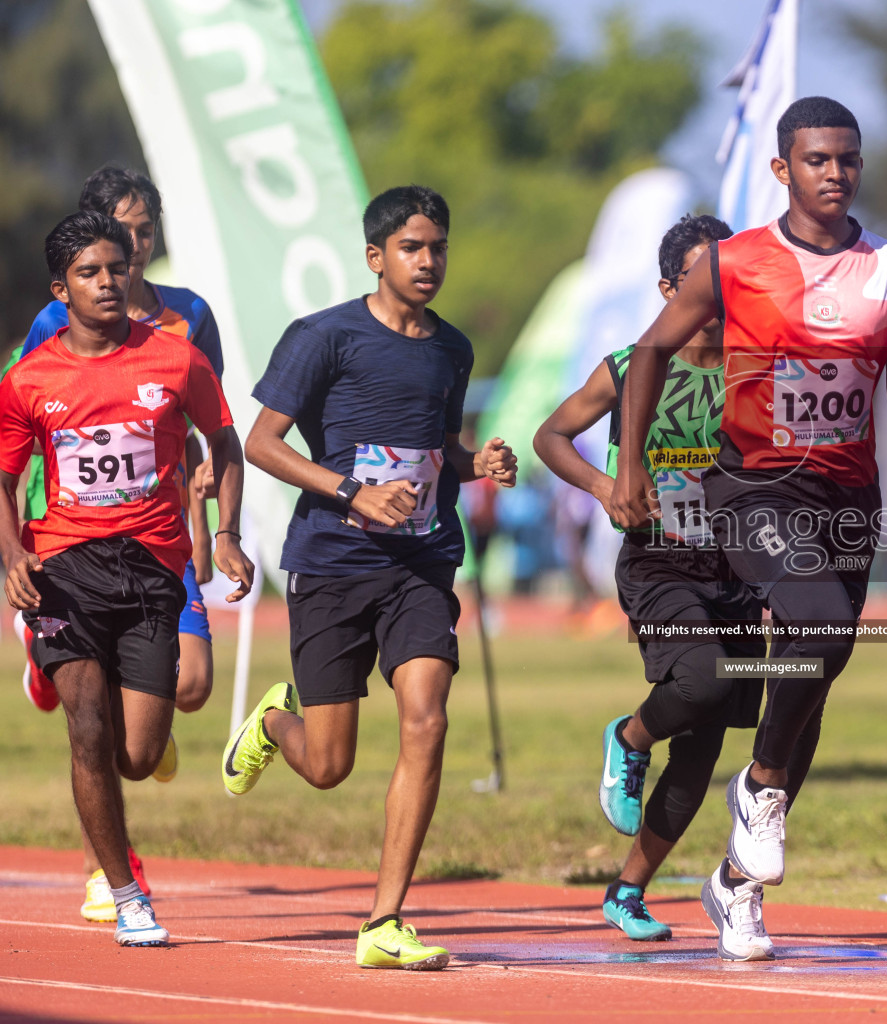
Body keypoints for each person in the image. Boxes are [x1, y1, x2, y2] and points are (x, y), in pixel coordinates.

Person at [610, 97, 887, 959]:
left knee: (812, 672)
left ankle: (737, 883)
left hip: (851, 500)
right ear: (783, 170)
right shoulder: (732, 262)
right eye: (818, 159)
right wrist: (631, 467)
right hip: (751, 491)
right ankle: (756, 787)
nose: (836, 172)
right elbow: (645, 355)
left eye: (849, 158)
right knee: (815, 627)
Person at [226, 185, 517, 971]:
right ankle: (274, 722)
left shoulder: (450, 348)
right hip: (331, 562)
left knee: (426, 718)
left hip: (420, 563)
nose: (428, 262)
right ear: (375, 256)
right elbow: (262, 444)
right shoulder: (323, 337)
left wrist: (476, 464)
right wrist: (353, 491)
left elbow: (439, 449)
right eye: (412, 248)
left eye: (438, 248)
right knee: (327, 766)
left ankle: (385, 921)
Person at [0, 211, 252, 947]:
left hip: (151, 568)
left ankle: (81, 691)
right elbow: (5, 477)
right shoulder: (30, 379)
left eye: (117, 268)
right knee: (86, 729)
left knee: (136, 756)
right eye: (90, 273)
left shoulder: (176, 360)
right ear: (61, 288)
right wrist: (14, 556)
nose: (109, 282)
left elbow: (226, 443)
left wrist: (227, 534)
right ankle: (124, 891)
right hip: (65, 570)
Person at [534, 214, 770, 952]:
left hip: (737, 572)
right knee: (697, 683)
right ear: (670, 288)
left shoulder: (755, 371)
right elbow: (550, 434)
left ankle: (628, 889)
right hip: (658, 560)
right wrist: (606, 486)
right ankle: (628, 736)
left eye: (726, 279)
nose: (716, 295)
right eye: (701, 280)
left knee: (700, 752)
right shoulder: (630, 364)